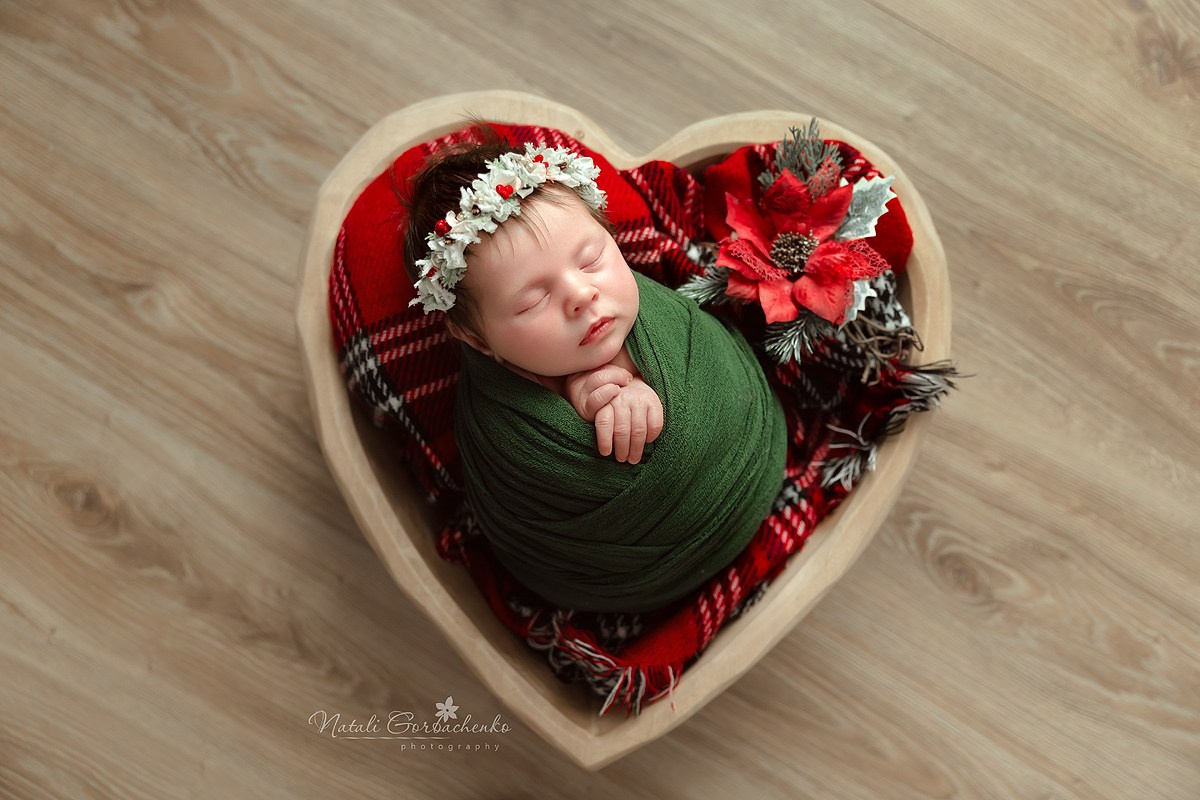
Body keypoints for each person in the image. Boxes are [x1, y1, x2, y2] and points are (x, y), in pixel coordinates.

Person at [398, 123, 788, 613]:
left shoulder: (657, 314)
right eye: (532, 300)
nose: (582, 295)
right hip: (618, 581)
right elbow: (520, 497)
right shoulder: (504, 424)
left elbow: (714, 366)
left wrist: (646, 391)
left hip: (750, 458)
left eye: (590, 259)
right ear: (478, 340)